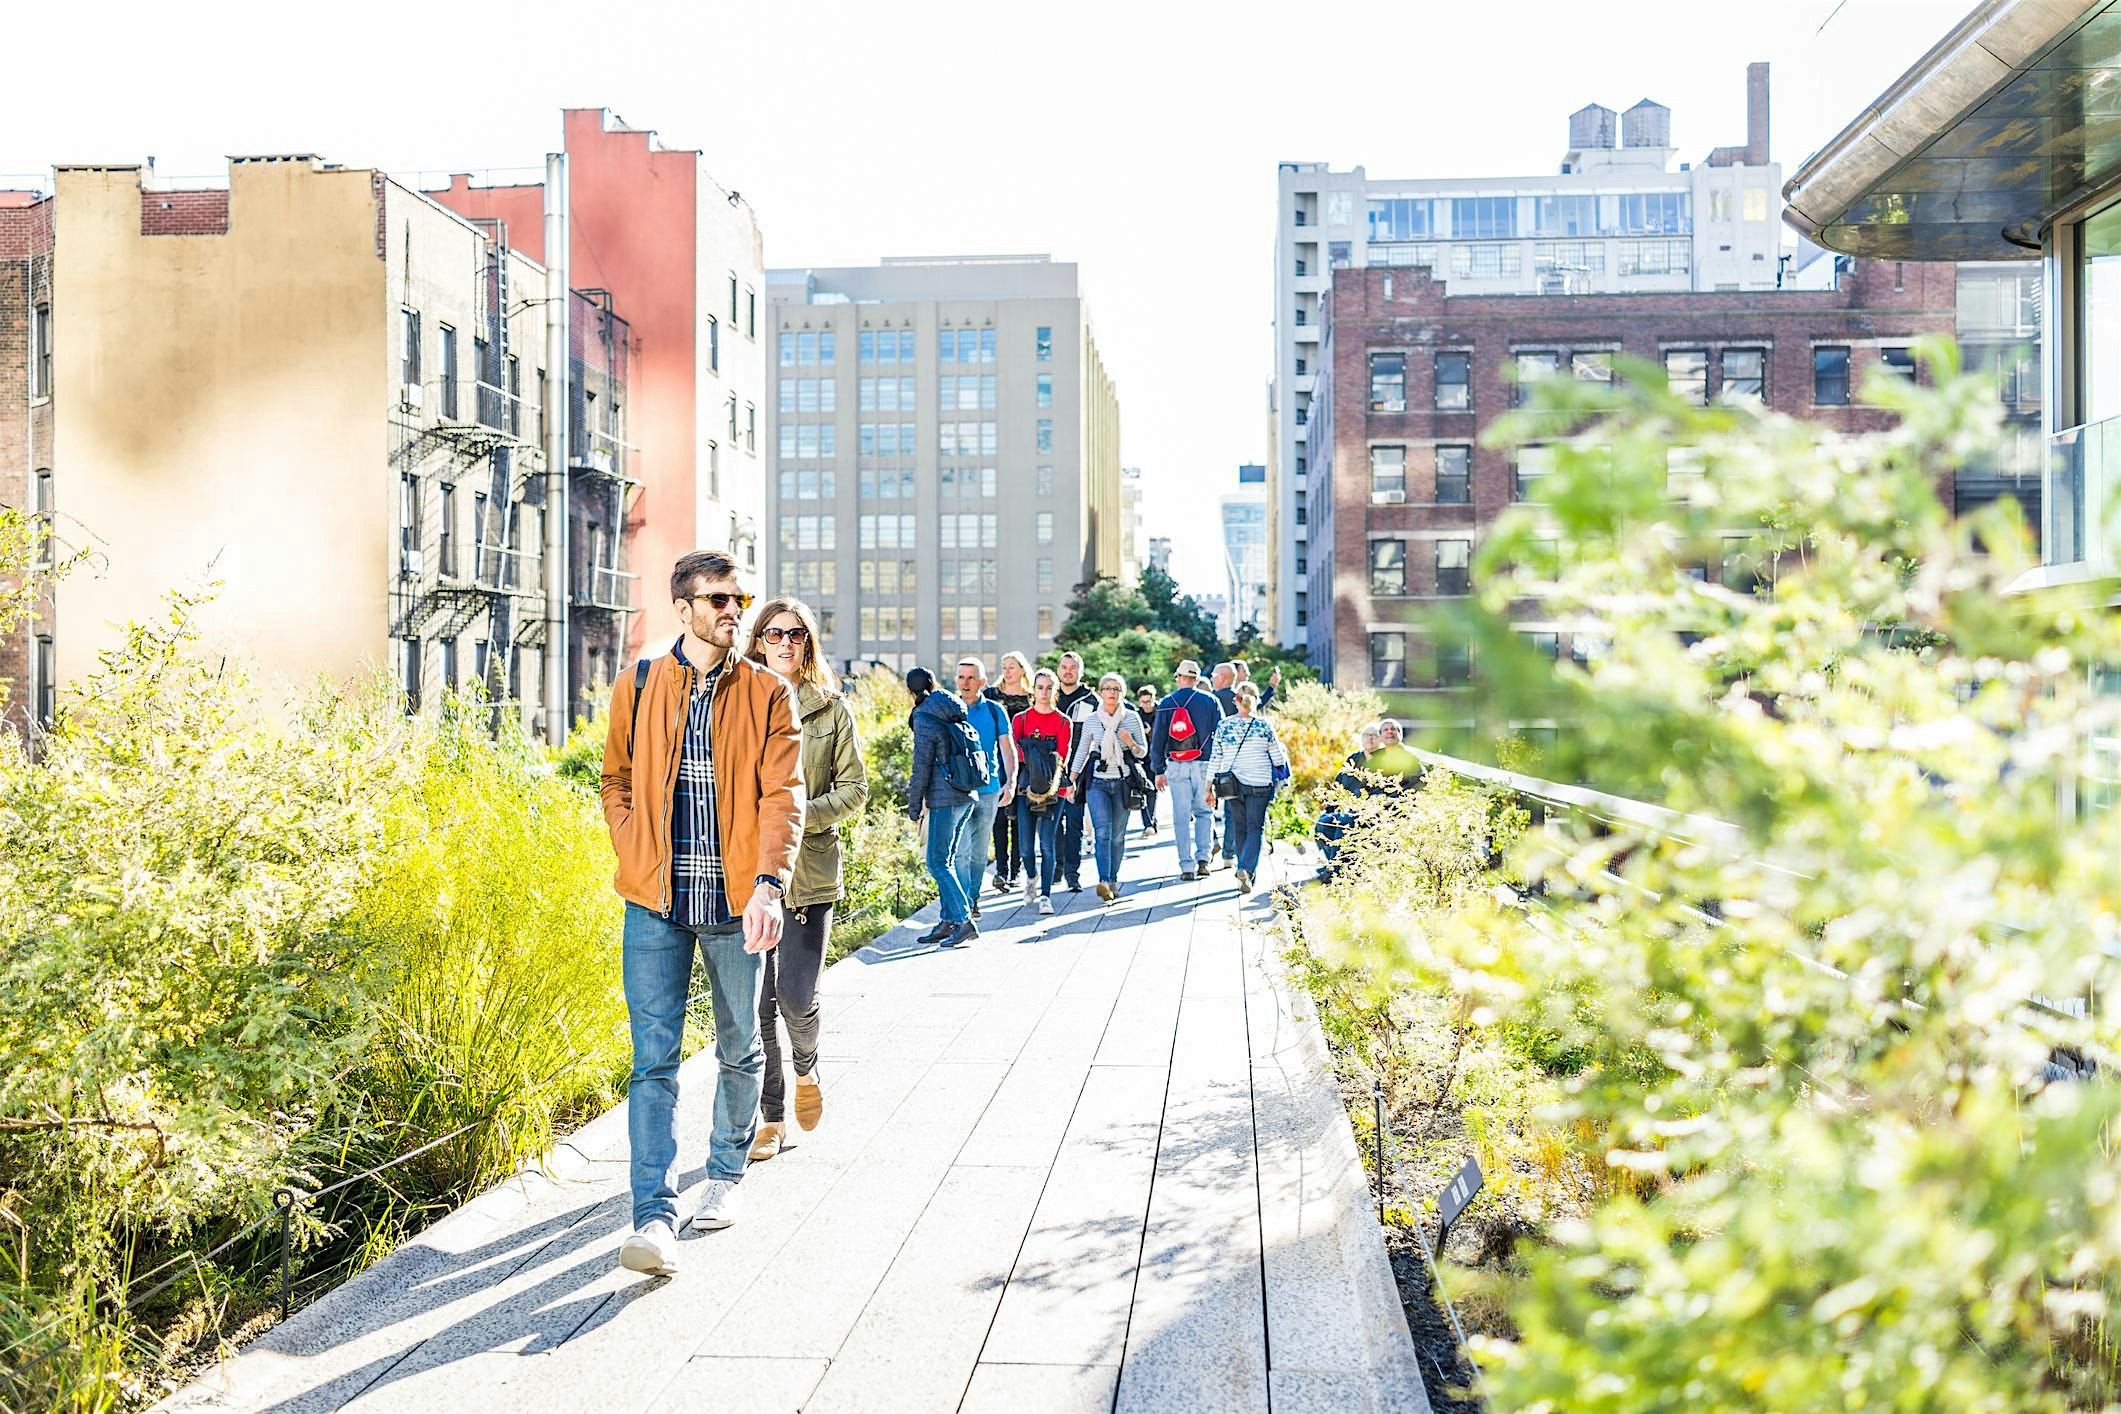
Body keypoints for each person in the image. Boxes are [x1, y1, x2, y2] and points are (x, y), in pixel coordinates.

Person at [600, 550, 803, 1276]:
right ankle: (652, 1218)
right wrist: (631, 845)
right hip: (653, 901)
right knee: (651, 1060)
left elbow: (783, 795)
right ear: (683, 608)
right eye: (718, 599)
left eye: (738, 599)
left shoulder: (767, 692)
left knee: (740, 1047)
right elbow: (615, 778)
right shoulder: (639, 682)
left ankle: (724, 1175)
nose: (733, 611)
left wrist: (768, 884)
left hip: (734, 901)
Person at [742, 597, 867, 1163]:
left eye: (795, 634)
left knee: (795, 997)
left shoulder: (831, 710)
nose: (785, 643)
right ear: (759, 641)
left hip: (809, 873)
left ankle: (808, 1069)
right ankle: (771, 1118)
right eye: (774, 634)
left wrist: (792, 818)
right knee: (757, 1006)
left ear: (808, 643)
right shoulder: (738, 705)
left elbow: (855, 790)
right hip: (747, 874)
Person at [905, 665, 980, 949]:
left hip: (944, 798)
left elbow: (921, 765)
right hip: (965, 792)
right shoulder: (952, 708)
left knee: (937, 862)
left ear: (910, 691)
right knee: (945, 860)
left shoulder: (925, 716)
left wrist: (914, 806)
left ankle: (963, 920)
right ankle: (948, 920)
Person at [1067, 672, 1148, 903]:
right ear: (1101, 692)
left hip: (1123, 782)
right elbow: (1082, 750)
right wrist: (1071, 780)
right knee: (1102, 832)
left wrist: (1129, 742)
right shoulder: (1092, 719)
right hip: (1097, 783)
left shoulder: (1131, 718)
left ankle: (1113, 879)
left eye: (1116, 689)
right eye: (1107, 688)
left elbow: (1143, 752)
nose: (1111, 693)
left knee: (1117, 836)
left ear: (1122, 693)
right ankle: (1103, 880)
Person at [1207, 680, 1290, 896]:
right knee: (1255, 828)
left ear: (1236, 701)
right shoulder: (1264, 726)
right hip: (1260, 783)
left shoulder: (1224, 726)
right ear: (1256, 700)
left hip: (1232, 784)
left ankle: (1244, 869)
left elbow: (1215, 758)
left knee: (1240, 827)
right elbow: (1278, 759)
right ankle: (1246, 869)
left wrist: (1208, 787)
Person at [954, 657, 1018, 922]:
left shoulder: (995, 711)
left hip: (989, 789)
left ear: (982, 681)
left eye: (971, 677)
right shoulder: (950, 709)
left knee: (979, 852)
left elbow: (1008, 749)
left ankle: (973, 898)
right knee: (961, 851)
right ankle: (963, 904)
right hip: (957, 790)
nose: (965, 683)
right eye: (961, 677)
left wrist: (1010, 781)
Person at [1149, 659, 1224, 881]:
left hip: (1176, 764)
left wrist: (1158, 769)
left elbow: (1158, 738)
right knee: (1204, 812)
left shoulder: (1166, 702)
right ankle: (1204, 860)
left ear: (1178, 677)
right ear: (1197, 679)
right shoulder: (1210, 700)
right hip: (1204, 764)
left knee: (1181, 817)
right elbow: (1220, 734)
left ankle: (1186, 866)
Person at [1011, 667, 1073, 915]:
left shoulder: (1063, 721)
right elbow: (1015, 752)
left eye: (1049, 688)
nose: (1044, 692)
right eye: (1040, 687)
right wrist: (1039, 756)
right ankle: (1031, 876)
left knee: (1047, 844)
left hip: (1053, 789)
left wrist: (1034, 752)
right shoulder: (1021, 720)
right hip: (1025, 787)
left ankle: (1046, 895)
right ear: (1033, 690)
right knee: (1026, 847)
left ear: (1055, 691)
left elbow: (1063, 756)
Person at [984, 651, 1035, 892]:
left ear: (1022, 669)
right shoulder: (991, 695)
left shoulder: (1032, 697)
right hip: (996, 761)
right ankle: (1001, 870)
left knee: (1020, 818)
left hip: (1025, 764)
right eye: (1004, 666)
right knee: (999, 817)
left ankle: (1016, 869)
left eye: (1012, 666)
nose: (1007, 671)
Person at [1314, 722, 1383, 881]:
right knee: (1323, 823)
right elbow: (1338, 785)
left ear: (1380, 739)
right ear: (1362, 739)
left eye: (1374, 735)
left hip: (1369, 812)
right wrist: (1330, 807)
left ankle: (1335, 871)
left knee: (1344, 822)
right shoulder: (1354, 759)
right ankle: (1334, 863)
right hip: (1346, 809)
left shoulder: (1384, 761)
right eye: (1367, 735)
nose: (1370, 739)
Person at [1052, 652, 1097, 892]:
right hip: (1050, 772)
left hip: (1077, 772)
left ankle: (1072, 873)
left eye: (1073, 667)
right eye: (1064, 667)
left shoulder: (1091, 700)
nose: (1068, 671)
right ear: (1058, 670)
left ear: (1081, 671)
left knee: (1074, 824)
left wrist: (1079, 771)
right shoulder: (1049, 695)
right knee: (1052, 823)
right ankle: (1056, 867)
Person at [1133, 684, 1163, 833]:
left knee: (1152, 790)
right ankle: (1149, 823)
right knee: (1144, 789)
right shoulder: (1136, 715)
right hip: (1140, 757)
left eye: (1148, 701)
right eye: (1143, 702)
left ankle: (1150, 822)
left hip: (1156, 756)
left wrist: (1150, 732)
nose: (1146, 705)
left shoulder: (1161, 712)